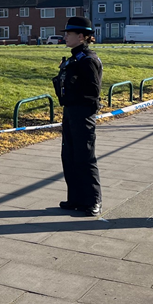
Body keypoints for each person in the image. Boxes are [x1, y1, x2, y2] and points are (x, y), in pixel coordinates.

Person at [52, 16, 104, 217]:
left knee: (85, 157)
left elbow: (93, 91)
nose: (65, 36)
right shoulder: (75, 58)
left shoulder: (88, 59)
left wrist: (72, 87)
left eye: (69, 33)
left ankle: (93, 200)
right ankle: (75, 198)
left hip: (83, 113)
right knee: (69, 156)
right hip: (71, 112)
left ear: (81, 37)